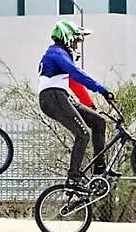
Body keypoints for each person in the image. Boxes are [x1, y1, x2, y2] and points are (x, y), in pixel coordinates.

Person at [38, 20, 117, 193]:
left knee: (98, 122)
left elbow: (75, 83)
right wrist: (103, 90)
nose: (76, 45)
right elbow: (77, 74)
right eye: (75, 41)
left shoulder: (59, 56)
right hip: (53, 97)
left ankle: (99, 170)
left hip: (61, 96)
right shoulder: (56, 53)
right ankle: (73, 177)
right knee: (83, 134)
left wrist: (91, 106)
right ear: (67, 37)